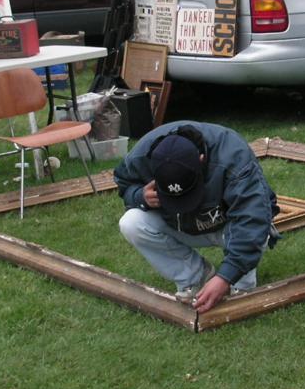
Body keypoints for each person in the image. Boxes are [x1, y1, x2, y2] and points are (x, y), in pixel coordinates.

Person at [115, 121, 279, 313]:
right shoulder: (141, 157)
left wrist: (226, 277)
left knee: (257, 226)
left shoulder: (233, 155)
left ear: (201, 160)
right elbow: (124, 182)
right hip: (182, 223)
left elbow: (252, 219)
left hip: (228, 226)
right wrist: (139, 196)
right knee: (131, 222)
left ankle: (239, 284)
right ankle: (196, 277)